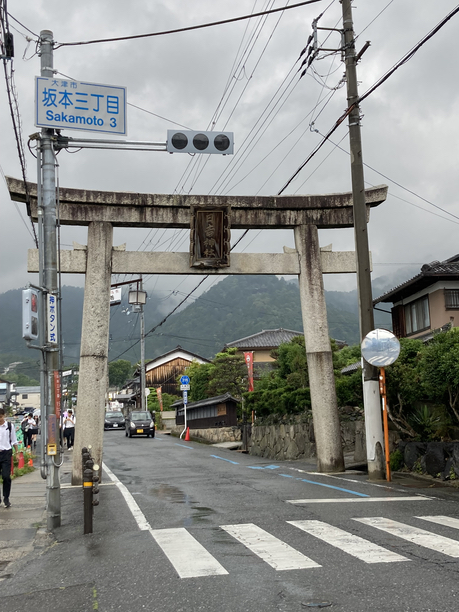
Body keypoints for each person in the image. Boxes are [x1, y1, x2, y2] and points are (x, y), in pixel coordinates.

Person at [0, 407, 19, 508]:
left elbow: (14, 440)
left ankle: (6, 497)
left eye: (0, 417)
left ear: (4, 416)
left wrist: (17, 453)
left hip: (6, 453)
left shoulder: (9, 426)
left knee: (6, 476)